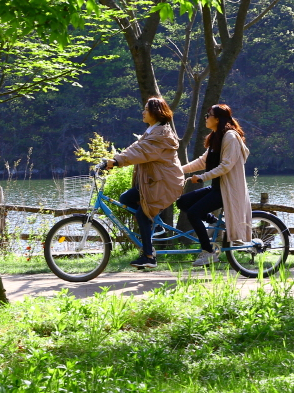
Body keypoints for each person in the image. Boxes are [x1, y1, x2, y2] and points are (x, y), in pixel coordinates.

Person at [103, 97, 185, 269]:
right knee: (126, 198)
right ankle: (153, 226)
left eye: (146, 109)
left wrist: (116, 162)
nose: (143, 112)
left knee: (142, 214)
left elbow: (141, 151)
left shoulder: (161, 135)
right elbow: (135, 148)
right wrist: (114, 160)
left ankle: (149, 256)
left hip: (164, 182)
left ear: (155, 113)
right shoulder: (152, 131)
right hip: (153, 181)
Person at [179, 104, 251, 267]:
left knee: (193, 213)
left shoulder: (230, 137)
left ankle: (208, 252)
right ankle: (219, 225)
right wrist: (179, 171)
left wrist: (202, 177)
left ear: (217, 119)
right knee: (182, 202)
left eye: (208, 115)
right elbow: (203, 161)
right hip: (218, 188)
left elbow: (226, 165)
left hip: (228, 190)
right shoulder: (216, 137)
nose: (206, 118)